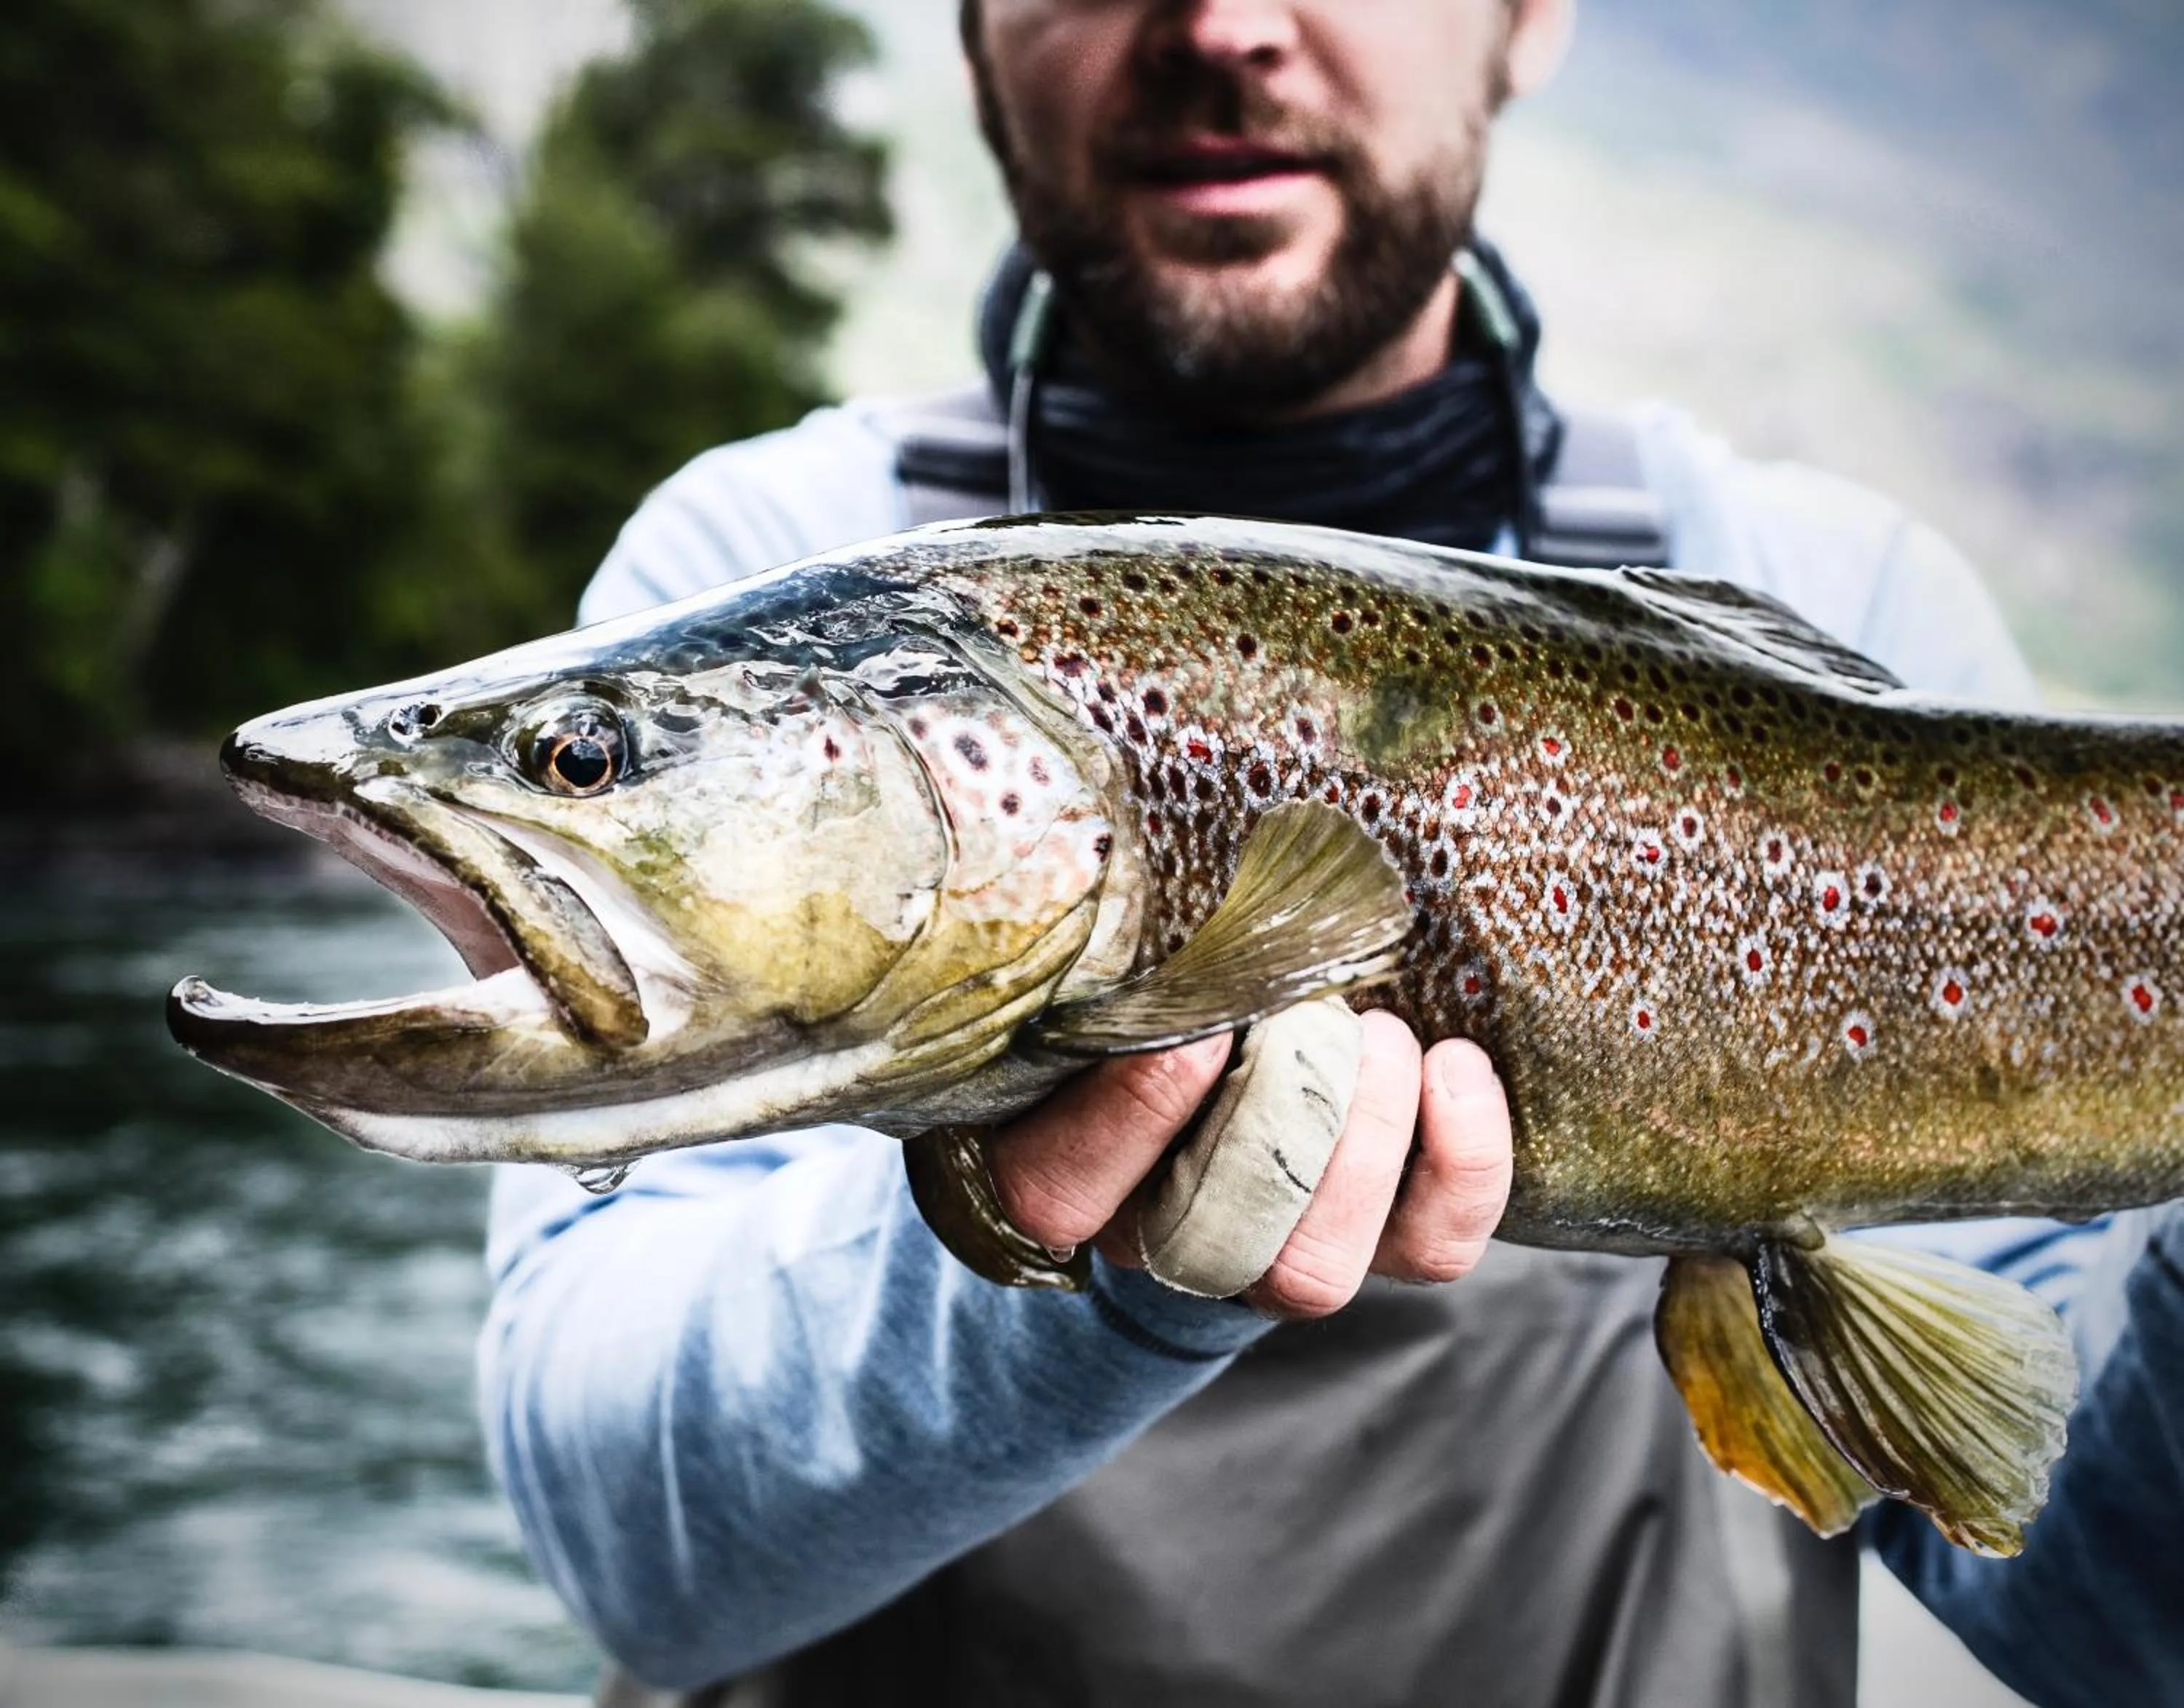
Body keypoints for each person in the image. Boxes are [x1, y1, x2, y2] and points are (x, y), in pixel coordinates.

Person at [478, 3, 2184, 1704]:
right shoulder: (751, 580)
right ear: (978, 33)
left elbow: (2098, 1616)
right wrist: (1087, 1278)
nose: (1219, 25)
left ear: (1529, 21)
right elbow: (638, 1563)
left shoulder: (1850, 603)